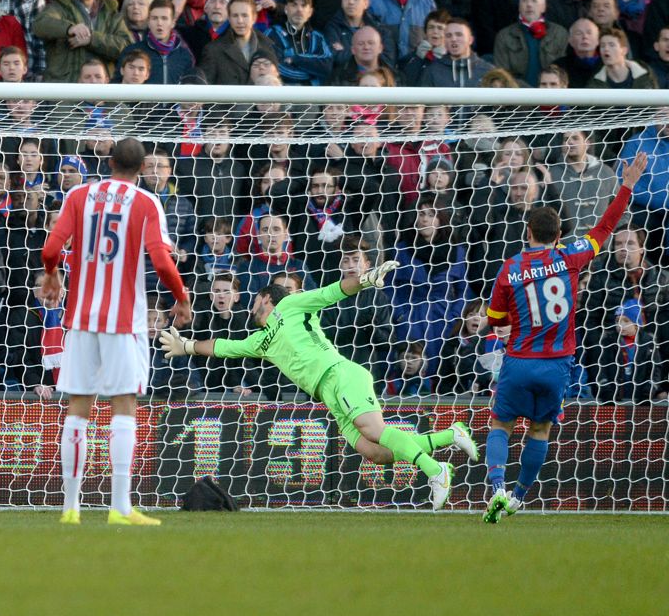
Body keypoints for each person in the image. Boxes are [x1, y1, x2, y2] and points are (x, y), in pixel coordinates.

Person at [159, 264, 477, 510]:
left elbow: (332, 292)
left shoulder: (291, 306)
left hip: (339, 374)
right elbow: (223, 346)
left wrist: (365, 279)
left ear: (267, 298)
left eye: (255, 300)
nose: (251, 307)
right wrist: (186, 346)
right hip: (328, 393)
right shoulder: (260, 341)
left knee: (373, 429)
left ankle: (436, 470)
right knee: (374, 451)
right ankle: (453, 435)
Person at [482, 152, 646, 523]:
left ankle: (496, 489)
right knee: (539, 430)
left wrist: (506, 325)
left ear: (528, 233)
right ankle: (519, 498)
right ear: (558, 236)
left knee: (501, 425)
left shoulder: (512, 267)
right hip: (558, 364)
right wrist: (627, 186)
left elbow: (494, 318)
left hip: (520, 360)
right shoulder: (571, 256)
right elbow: (605, 228)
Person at [38, 137, 193, 526]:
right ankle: (120, 507)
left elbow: (52, 245)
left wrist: (53, 275)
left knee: (78, 408)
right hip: (123, 321)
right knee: (123, 406)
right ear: (142, 169)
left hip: (81, 319)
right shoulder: (146, 202)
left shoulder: (79, 194)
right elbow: (161, 259)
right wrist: (181, 296)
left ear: (108, 162)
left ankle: (70, 508)